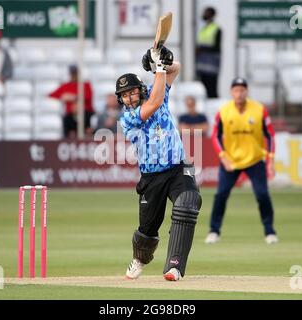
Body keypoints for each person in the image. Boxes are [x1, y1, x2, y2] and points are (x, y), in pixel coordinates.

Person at [116, 46, 202, 282]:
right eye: (124, 95)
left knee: (188, 203)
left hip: (177, 168)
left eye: (132, 92)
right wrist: (159, 69)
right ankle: (139, 259)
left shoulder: (156, 90)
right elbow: (153, 104)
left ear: (140, 90)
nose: (129, 98)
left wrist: (162, 61)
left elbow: (177, 69)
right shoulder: (128, 119)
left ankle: (174, 267)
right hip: (151, 177)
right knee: (147, 232)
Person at [205, 78, 278, 245]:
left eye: (242, 90)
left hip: (255, 159)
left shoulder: (259, 110)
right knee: (221, 195)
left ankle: (269, 231)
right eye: (236, 90)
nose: (239, 93)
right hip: (231, 161)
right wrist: (223, 157)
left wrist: (270, 160)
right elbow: (215, 135)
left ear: (247, 91)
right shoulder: (223, 111)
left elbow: (270, 135)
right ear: (232, 92)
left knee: (262, 195)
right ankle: (214, 231)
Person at [49, 65, 94, 138]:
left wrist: (74, 97)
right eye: (72, 74)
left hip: (86, 113)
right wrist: (63, 97)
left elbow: (88, 96)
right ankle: (69, 138)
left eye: (75, 73)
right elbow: (51, 95)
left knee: (87, 118)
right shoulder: (66, 86)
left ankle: (87, 135)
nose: (74, 76)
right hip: (70, 115)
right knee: (67, 119)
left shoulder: (85, 85)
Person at [196, 7, 222, 98]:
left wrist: (202, 49)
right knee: (203, 87)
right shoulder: (204, 28)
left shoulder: (216, 29)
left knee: (212, 87)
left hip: (211, 65)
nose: (204, 15)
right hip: (202, 64)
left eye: (206, 13)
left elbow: (216, 47)